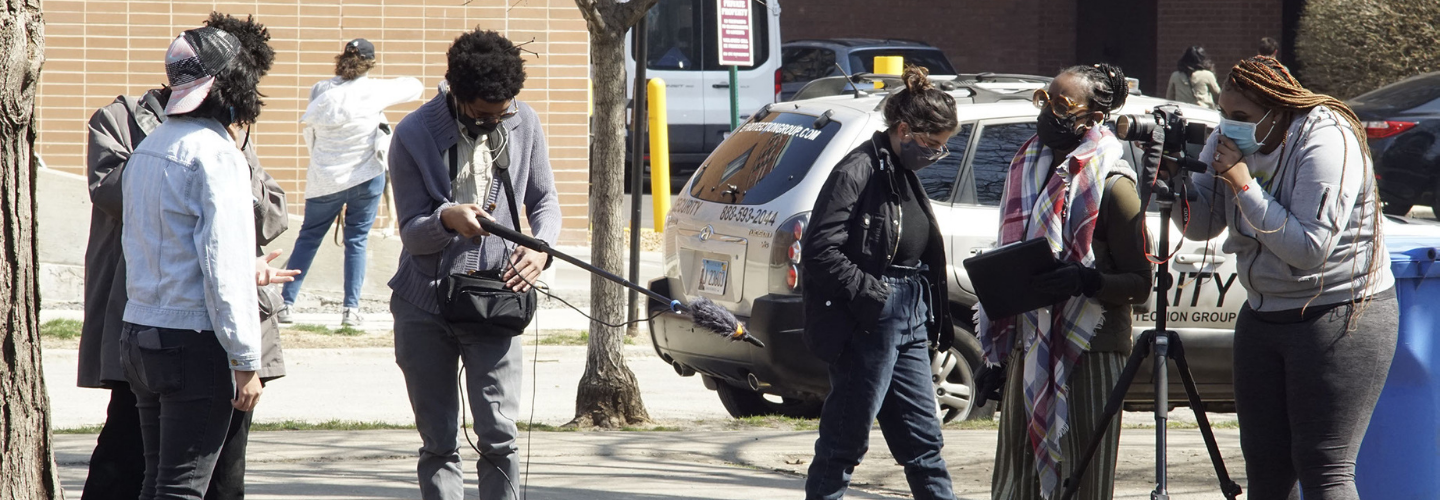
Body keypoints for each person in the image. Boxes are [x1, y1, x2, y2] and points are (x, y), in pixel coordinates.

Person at [1169, 55, 1396, 500]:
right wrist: (1172, 183)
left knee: (1323, 468)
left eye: (1240, 117)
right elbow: (1201, 226)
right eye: (1223, 113)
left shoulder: (1328, 140)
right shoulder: (1226, 138)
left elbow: (1308, 249)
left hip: (1336, 314)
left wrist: (1242, 184)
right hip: (1263, 314)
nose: (1226, 126)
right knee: (1267, 471)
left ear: (1280, 112)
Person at [386, 29, 560, 500]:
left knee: (500, 437)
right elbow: (412, 234)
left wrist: (540, 248)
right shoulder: (413, 133)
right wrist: (446, 219)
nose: (497, 120)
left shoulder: (524, 121)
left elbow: (545, 202)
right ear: (459, 96)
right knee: (438, 443)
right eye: (485, 113)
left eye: (504, 111)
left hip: (496, 298)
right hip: (423, 305)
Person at [118, 19, 279, 499]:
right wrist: (246, 359)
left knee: (158, 484)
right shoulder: (217, 154)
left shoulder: (150, 146)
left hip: (140, 332)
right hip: (194, 340)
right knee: (182, 490)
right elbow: (223, 267)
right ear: (231, 83)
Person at [980, 64, 1152, 500]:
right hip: (1030, 345)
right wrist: (997, 357)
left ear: (1094, 118)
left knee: (1083, 480)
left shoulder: (1115, 187)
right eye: (1045, 100)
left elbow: (1140, 283)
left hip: (1089, 350)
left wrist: (1084, 280)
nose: (1046, 114)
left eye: (1061, 105)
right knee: (1015, 481)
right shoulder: (1027, 167)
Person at [800, 65, 959, 500]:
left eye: (943, 148)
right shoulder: (858, 169)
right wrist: (873, 294)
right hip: (870, 318)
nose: (935, 154)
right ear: (904, 130)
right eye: (932, 144)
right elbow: (818, 250)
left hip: (909, 313)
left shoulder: (902, 172)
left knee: (924, 441)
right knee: (845, 440)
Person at [277, 38, 423, 327]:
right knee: (356, 242)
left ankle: (285, 304)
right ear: (369, 63)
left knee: (308, 239)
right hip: (366, 178)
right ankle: (350, 310)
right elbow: (415, 85)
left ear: (341, 60)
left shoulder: (321, 90)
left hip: (324, 179)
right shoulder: (376, 90)